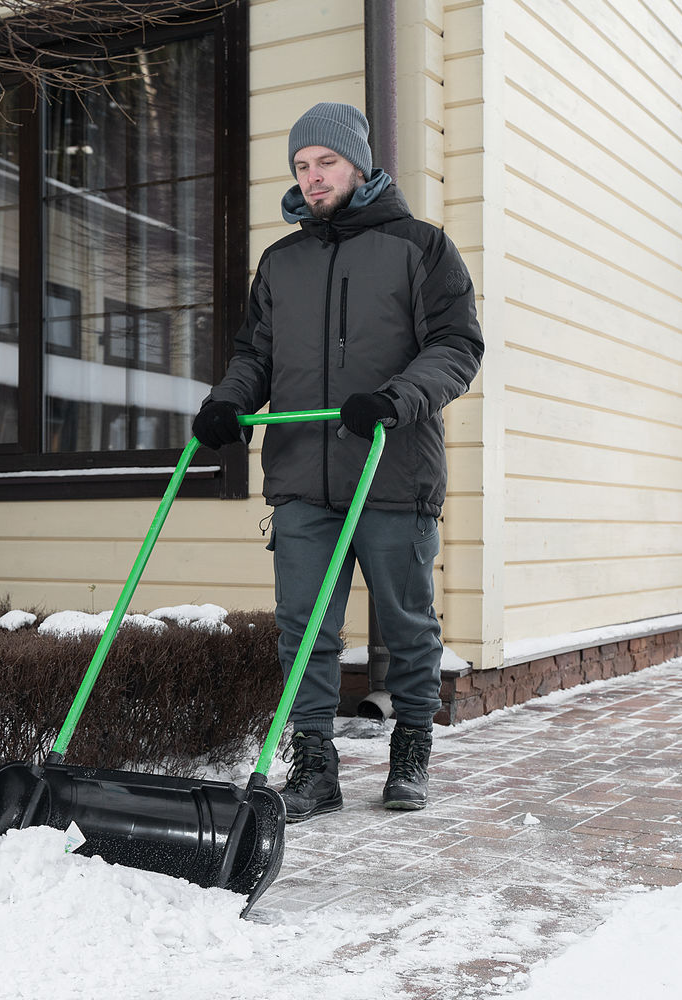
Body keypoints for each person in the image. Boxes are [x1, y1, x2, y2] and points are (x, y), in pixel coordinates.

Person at [193, 102, 483, 822]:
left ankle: (411, 747)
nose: (313, 176)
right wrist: (227, 403)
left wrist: (394, 398)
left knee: (407, 622)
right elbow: (254, 356)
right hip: (300, 476)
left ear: (359, 165)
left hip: (393, 467)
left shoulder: (422, 247)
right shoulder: (281, 262)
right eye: (301, 165)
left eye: (326, 162)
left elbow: (456, 347)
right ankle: (315, 766)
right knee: (304, 628)